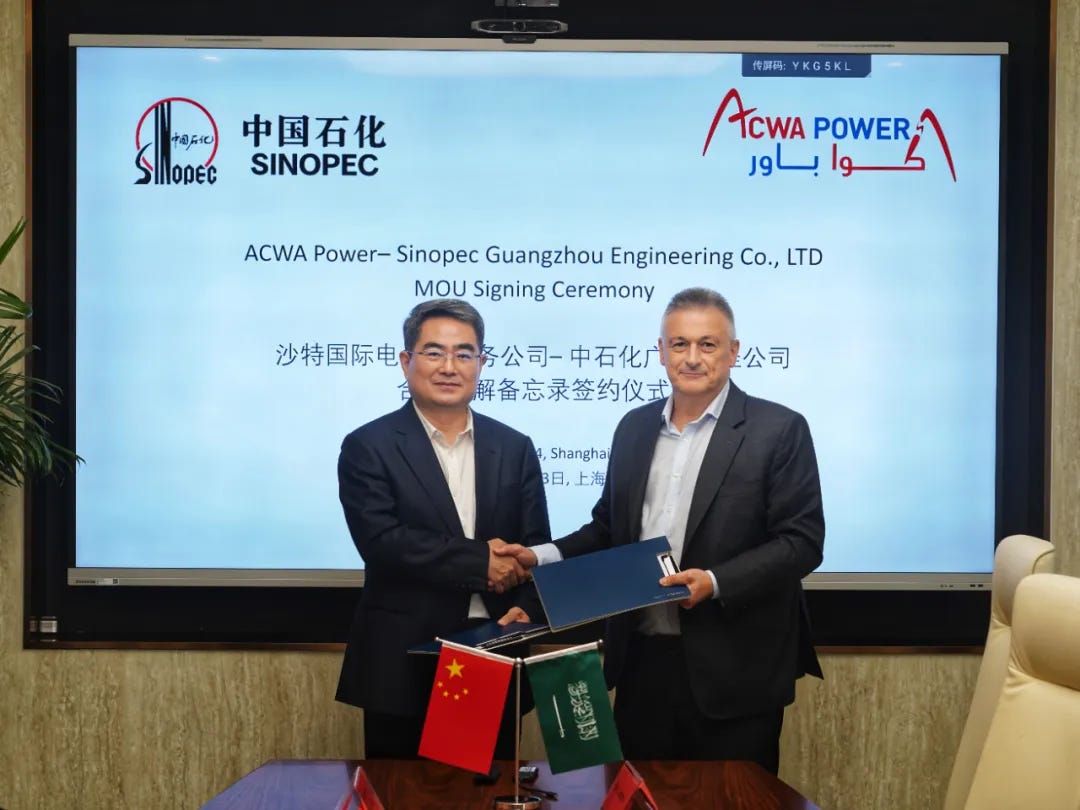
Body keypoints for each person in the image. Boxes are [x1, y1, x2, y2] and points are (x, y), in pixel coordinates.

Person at [496, 287, 824, 773]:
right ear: (661, 351)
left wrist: (713, 582)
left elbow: (801, 542)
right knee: (643, 797)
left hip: (735, 670)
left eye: (707, 344)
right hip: (642, 663)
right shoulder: (633, 427)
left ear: (734, 351)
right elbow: (607, 529)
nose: (692, 358)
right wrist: (540, 557)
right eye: (679, 344)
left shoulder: (778, 429)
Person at [335, 298, 549, 759]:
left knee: (486, 788)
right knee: (404, 790)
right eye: (434, 352)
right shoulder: (368, 446)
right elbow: (381, 541)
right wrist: (480, 562)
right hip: (404, 659)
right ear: (406, 361)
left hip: (492, 651)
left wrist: (529, 609)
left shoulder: (514, 447)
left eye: (463, 354)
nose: (449, 367)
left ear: (481, 363)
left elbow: (535, 546)